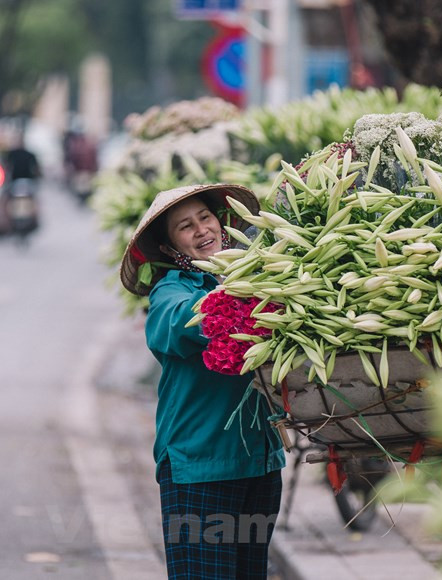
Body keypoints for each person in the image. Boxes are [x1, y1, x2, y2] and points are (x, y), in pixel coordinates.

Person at [120, 184, 285, 579]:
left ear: (222, 222)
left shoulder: (255, 271)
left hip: (260, 466)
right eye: (185, 226)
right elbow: (179, 323)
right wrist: (247, 297)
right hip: (199, 469)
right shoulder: (171, 292)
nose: (201, 231)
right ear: (168, 246)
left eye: (205, 218)